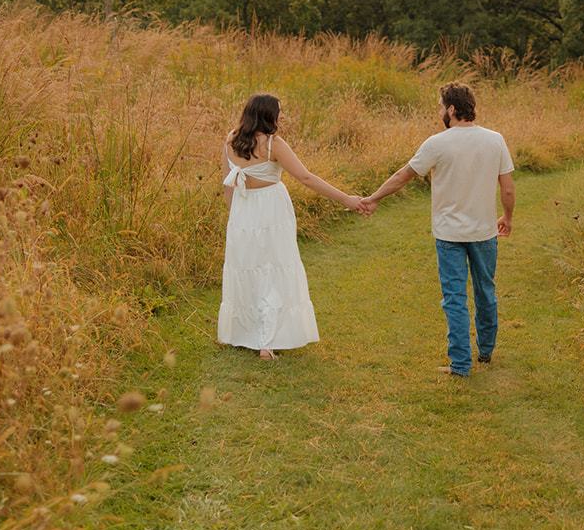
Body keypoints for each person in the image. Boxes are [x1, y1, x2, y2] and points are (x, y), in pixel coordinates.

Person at [362, 82, 514, 377]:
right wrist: (507, 218)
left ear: (452, 109)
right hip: (484, 232)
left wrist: (373, 198)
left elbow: (402, 176)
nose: (439, 111)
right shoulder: (495, 140)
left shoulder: (437, 143)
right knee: (486, 291)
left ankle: (460, 365)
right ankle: (485, 351)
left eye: (441, 106)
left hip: (449, 237)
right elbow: (507, 188)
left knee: (455, 298)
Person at [219, 93, 365, 360]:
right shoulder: (274, 145)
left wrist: (234, 217)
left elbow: (227, 183)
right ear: (266, 115)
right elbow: (306, 177)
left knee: (248, 269)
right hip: (271, 211)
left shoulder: (231, 141)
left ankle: (246, 332)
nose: (282, 116)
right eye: (279, 111)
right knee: (274, 270)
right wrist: (347, 199)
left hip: (243, 210)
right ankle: (267, 342)